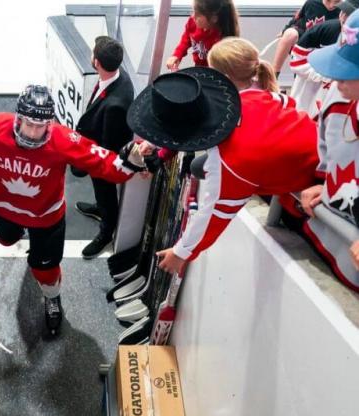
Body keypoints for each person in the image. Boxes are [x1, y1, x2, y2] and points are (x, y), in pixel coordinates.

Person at [0, 85, 149, 334]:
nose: (32, 132)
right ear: (17, 117)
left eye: (40, 126)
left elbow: (105, 163)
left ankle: (52, 297)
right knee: (6, 240)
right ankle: (19, 233)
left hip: (46, 217)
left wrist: (129, 161)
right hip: (6, 210)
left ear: (49, 124)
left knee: (45, 270)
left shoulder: (62, 139)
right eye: (28, 124)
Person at [130, 45, 319, 275]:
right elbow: (285, 106)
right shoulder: (261, 96)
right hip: (324, 158)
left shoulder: (228, 165)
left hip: (321, 192)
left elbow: (211, 216)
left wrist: (180, 253)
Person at [299, 10, 359, 291]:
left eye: (348, 74)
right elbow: (335, 153)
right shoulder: (337, 107)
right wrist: (324, 186)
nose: (337, 82)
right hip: (332, 237)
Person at [72, 36, 134, 259]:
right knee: (101, 193)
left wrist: (90, 160)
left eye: (93, 53)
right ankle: (101, 208)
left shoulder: (115, 106)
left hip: (103, 157)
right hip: (100, 140)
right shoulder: (119, 75)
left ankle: (106, 231)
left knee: (105, 190)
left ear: (97, 62)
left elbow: (109, 148)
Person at [271, 0, 342, 76]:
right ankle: (274, 74)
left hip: (325, 46)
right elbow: (296, 18)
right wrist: (285, 30)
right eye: (328, 1)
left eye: (336, 2)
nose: (331, 6)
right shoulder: (311, 3)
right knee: (289, 34)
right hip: (305, 40)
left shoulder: (343, 11)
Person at [166, 0, 239, 71]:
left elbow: (222, 67)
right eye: (193, 11)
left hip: (216, 71)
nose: (193, 16)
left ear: (214, 18)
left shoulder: (222, 38)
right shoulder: (192, 22)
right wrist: (176, 55)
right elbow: (185, 40)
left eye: (198, 15)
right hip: (199, 67)